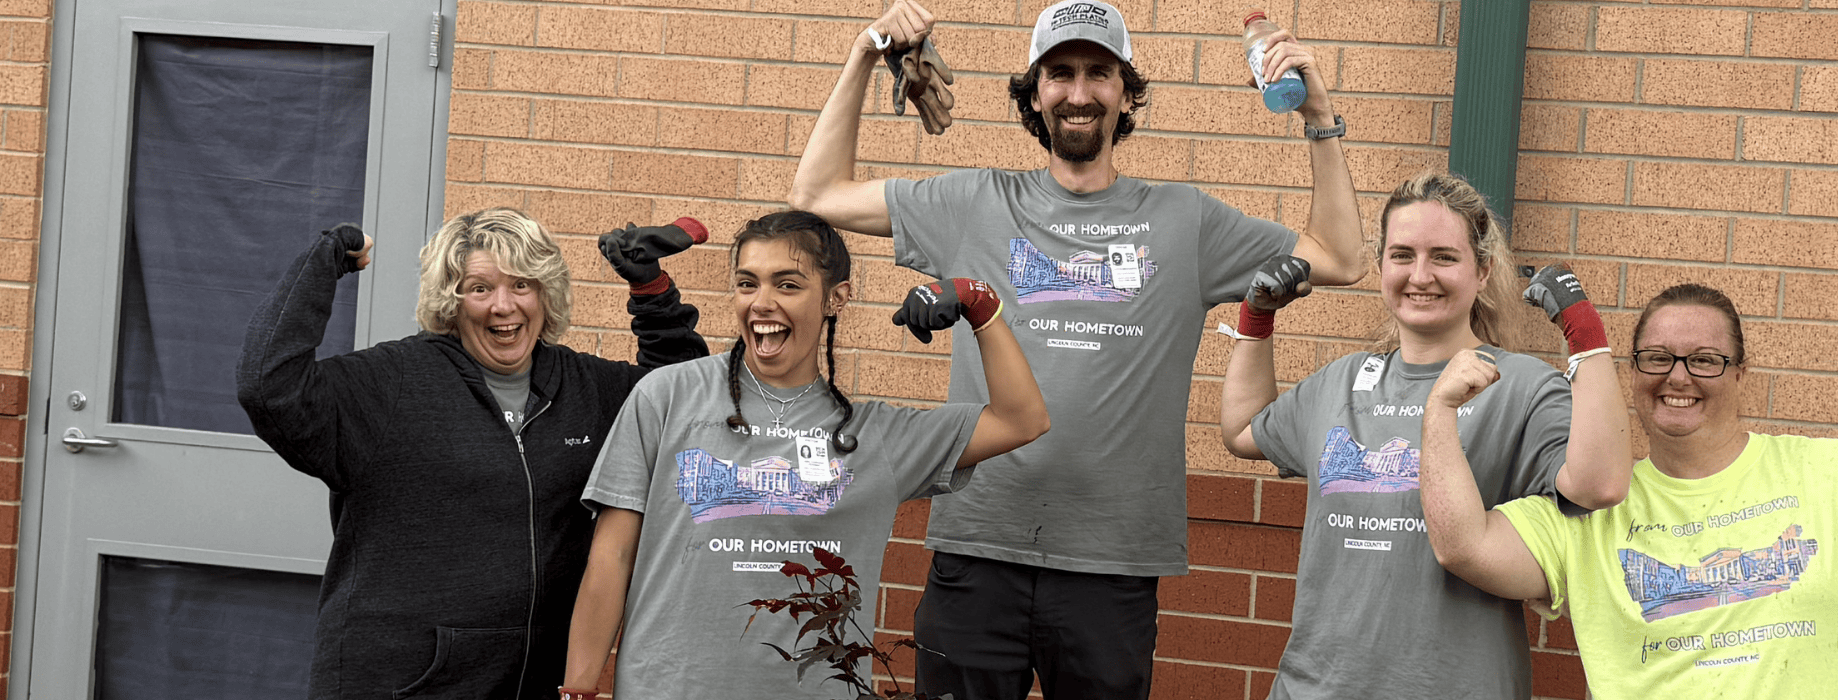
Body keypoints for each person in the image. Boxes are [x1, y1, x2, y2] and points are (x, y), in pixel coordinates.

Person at [787, 0, 1368, 694]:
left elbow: (1340, 257)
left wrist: (1318, 115)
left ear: (1126, 93)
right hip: (977, 551)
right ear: (1036, 92)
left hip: (1112, 567)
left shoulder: (1186, 220)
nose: (1079, 91)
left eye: (1100, 73)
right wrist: (863, 53)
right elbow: (817, 196)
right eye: (1060, 73)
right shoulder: (975, 203)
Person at [559, 210, 1050, 700]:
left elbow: (1021, 420)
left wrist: (978, 305)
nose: (761, 303)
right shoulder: (665, 396)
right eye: (747, 283)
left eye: (788, 285)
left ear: (836, 297)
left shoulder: (875, 435)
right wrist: (578, 690)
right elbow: (612, 555)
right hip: (664, 688)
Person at [235, 208, 709, 700]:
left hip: (533, 682)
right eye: (480, 289)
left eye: (522, 284)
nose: (503, 306)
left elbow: (680, 403)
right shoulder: (390, 385)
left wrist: (651, 292)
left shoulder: (584, 388)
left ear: (545, 294)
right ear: (451, 302)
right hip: (399, 684)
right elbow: (270, 387)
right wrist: (324, 261)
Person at [1217, 171, 1631, 699]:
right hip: (1316, 687)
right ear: (1382, 264)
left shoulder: (1521, 385)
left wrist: (1584, 333)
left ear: (1482, 271)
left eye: (1444, 256)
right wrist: (1256, 320)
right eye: (1403, 255)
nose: (1420, 275)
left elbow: (1600, 485)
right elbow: (1243, 431)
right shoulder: (1342, 380)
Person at [1422, 283, 1838, 700]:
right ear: (1634, 372)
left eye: (1704, 360)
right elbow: (1464, 545)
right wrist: (1440, 409)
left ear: (1741, 375)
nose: (1678, 377)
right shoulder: (1592, 512)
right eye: (1658, 358)